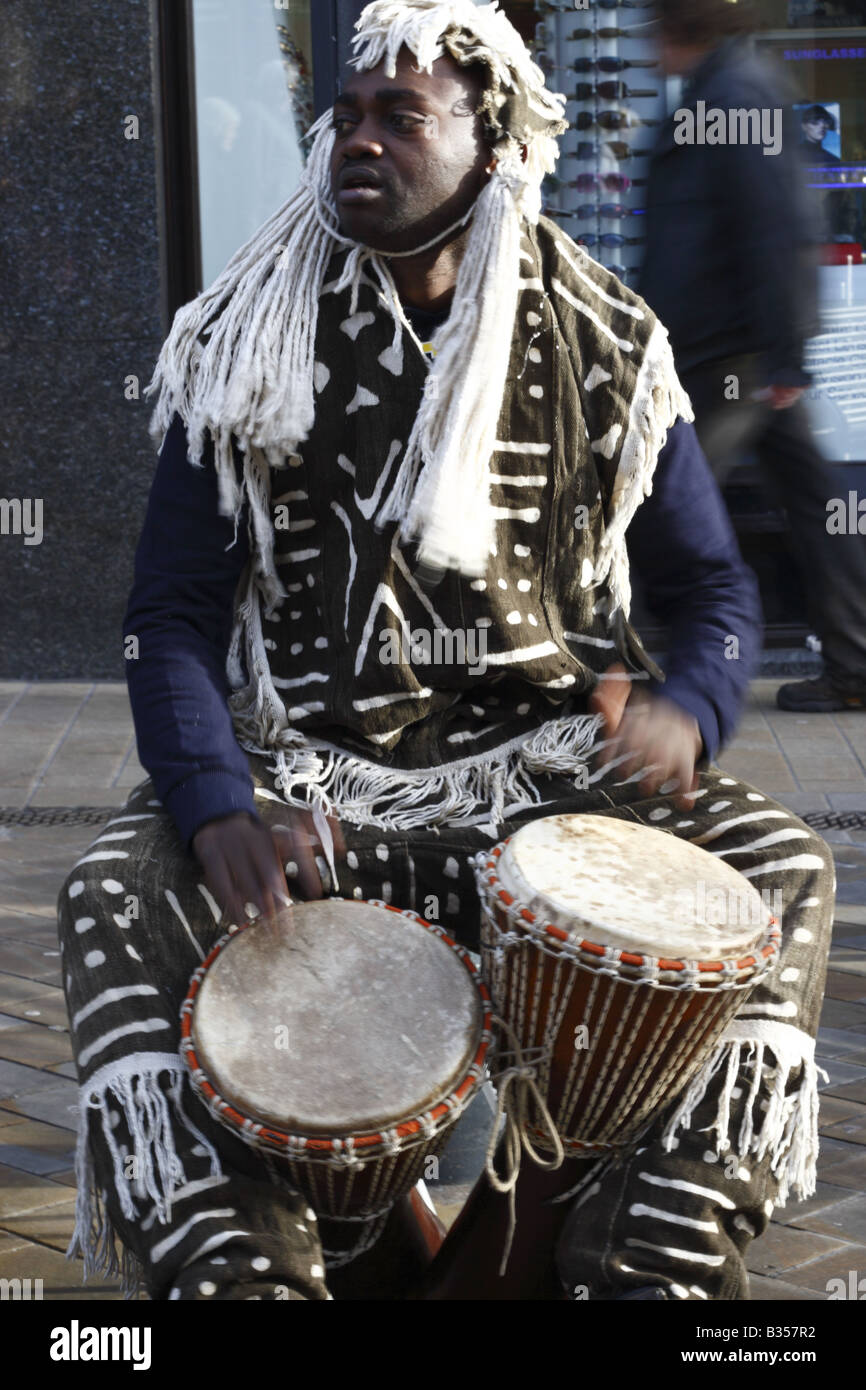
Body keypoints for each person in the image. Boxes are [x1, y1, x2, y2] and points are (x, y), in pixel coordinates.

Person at [58, 0, 833, 1302]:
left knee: (781, 867)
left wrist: (688, 713)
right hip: (308, 787)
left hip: (546, 789)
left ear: (494, 142)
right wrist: (210, 799)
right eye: (343, 115)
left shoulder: (605, 343)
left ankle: (649, 1241)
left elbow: (712, 592)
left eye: (397, 116)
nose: (355, 140)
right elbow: (170, 615)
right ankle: (241, 1264)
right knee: (109, 892)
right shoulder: (243, 342)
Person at [639, 0, 866, 713]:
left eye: (653, 29)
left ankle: (658, 683)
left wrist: (786, 354)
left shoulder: (737, 93)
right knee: (814, 501)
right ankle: (855, 660)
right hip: (735, 349)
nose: (647, 46)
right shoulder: (726, 87)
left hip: (727, 358)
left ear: (679, 28)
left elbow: (779, 224)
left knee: (660, 506)